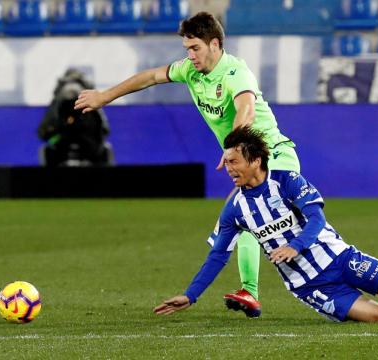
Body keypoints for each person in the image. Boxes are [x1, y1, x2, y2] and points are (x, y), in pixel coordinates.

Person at [153, 126, 378, 323]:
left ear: (255, 160)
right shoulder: (235, 209)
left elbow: (317, 219)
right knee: (377, 318)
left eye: (233, 161)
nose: (228, 169)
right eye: (227, 162)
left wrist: (295, 246)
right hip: (309, 285)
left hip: (339, 257)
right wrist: (191, 295)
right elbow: (218, 255)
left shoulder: (287, 181)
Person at [75, 12, 298, 317]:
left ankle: (255, 291)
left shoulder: (235, 72)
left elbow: (244, 108)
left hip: (273, 155)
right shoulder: (191, 72)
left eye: (195, 48)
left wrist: (234, 146)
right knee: (255, 220)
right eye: (187, 49)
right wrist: (105, 96)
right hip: (248, 160)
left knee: (278, 224)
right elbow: (152, 76)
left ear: (215, 44)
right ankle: (252, 292)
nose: (190, 55)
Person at [39, 69, 113, 167]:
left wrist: (57, 138)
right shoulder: (91, 99)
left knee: (47, 148)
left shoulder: (56, 101)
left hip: (65, 145)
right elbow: (105, 130)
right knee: (106, 149)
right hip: (84, 147)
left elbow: (44, 133)